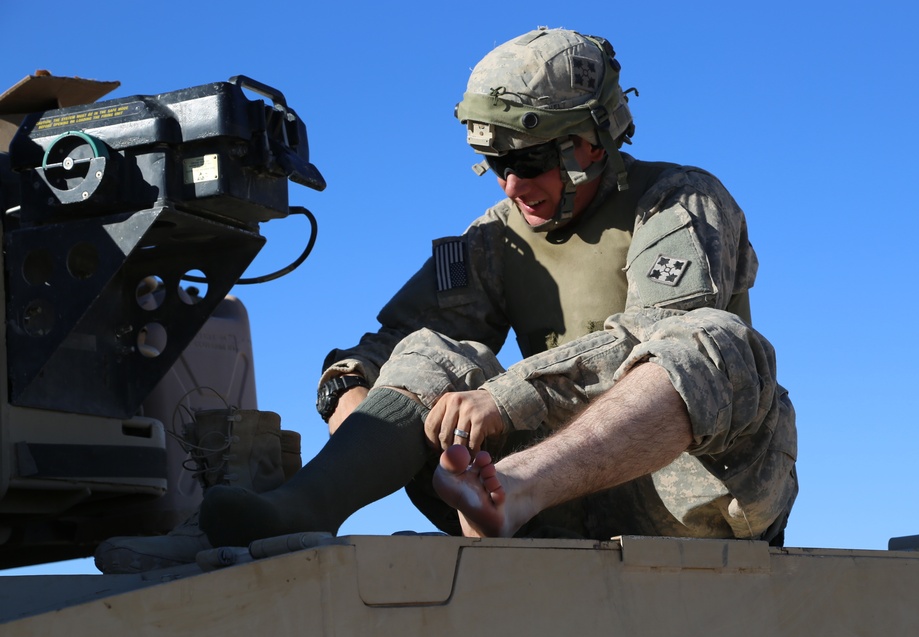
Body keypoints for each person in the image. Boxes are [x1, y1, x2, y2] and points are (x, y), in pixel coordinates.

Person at [98, 28, 797, 571]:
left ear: (590, 142)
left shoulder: (680, 200)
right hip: (550, 507)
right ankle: (299, 509)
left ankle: (514, 486)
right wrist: (353, 394)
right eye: (496, 164)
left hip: (690, 496)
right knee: (431, 352)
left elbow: (661, 338)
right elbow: (394, 341)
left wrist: (506, 402)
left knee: (714, 340)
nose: (510, 187)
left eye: (529, 161)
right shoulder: (496, 240)